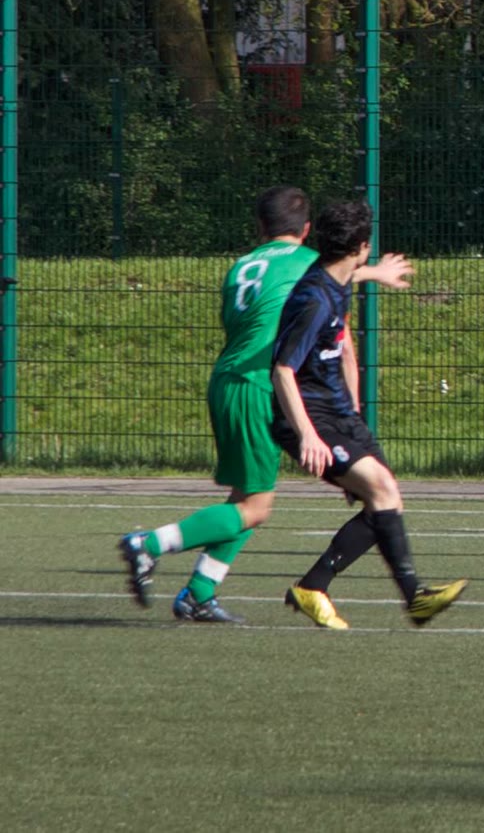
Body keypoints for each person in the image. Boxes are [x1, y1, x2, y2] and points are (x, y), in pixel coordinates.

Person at [116, 186, 412, 623]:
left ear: (260, 227)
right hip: (260, 385)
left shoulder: (243, 265)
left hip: (227, 380)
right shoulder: (307, 263)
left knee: (246, 499)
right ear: (306, 230)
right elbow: (333, 275)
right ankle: (150, 544)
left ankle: (200, 592)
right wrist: (378, 272)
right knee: (256, 507)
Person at [272, 201, 466, 627]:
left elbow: (349, 276)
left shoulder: (336, 276)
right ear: (361, 246)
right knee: (381, 490)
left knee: (385, 497)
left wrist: (376, 273)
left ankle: (319, 586)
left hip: (339, 413)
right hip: (308, 416)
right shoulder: (314, 302)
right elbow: (282, 370)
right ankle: (405, 597)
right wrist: (308, 435)